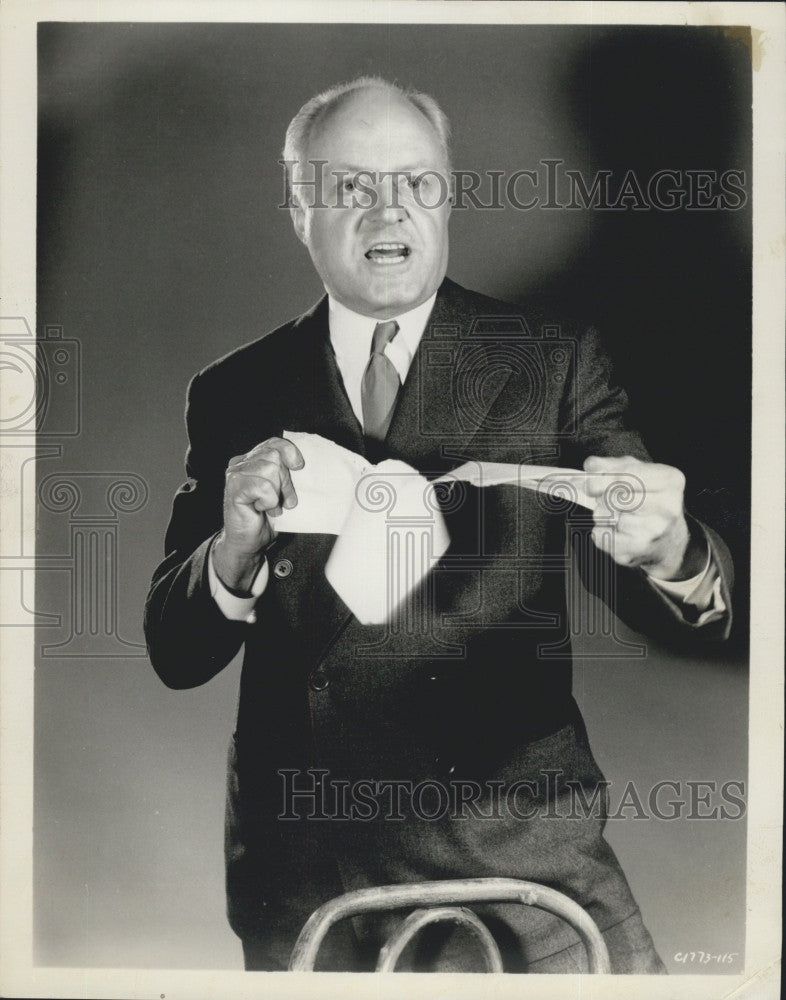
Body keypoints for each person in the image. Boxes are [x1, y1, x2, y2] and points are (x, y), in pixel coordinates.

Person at [144, 77, 732, 973]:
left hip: (522, 873)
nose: (391, 211)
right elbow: (175, 651)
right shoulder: (236, 390)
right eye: (351, 187)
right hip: (308, 879)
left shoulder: (550, 360)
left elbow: (676, 602)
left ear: (448, 194)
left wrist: (674, 550)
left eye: (417, 182)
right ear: (299, 208)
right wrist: (230, 554)